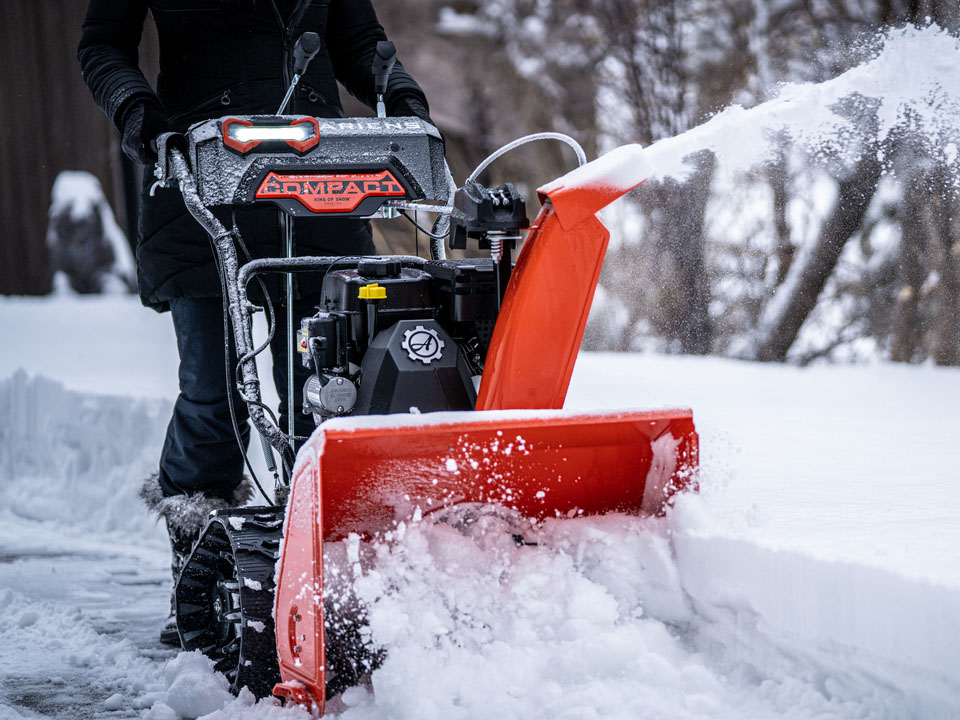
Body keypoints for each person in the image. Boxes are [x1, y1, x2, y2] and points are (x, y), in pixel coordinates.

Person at [77, 0, 435, 644]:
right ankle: (195, 572)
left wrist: (399, 92)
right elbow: (103, 48)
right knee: (216, 397)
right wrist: (141, 116)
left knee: (325, 384)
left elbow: (358, 39)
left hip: (318, 176)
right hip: (201, 171)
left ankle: (325, 571)